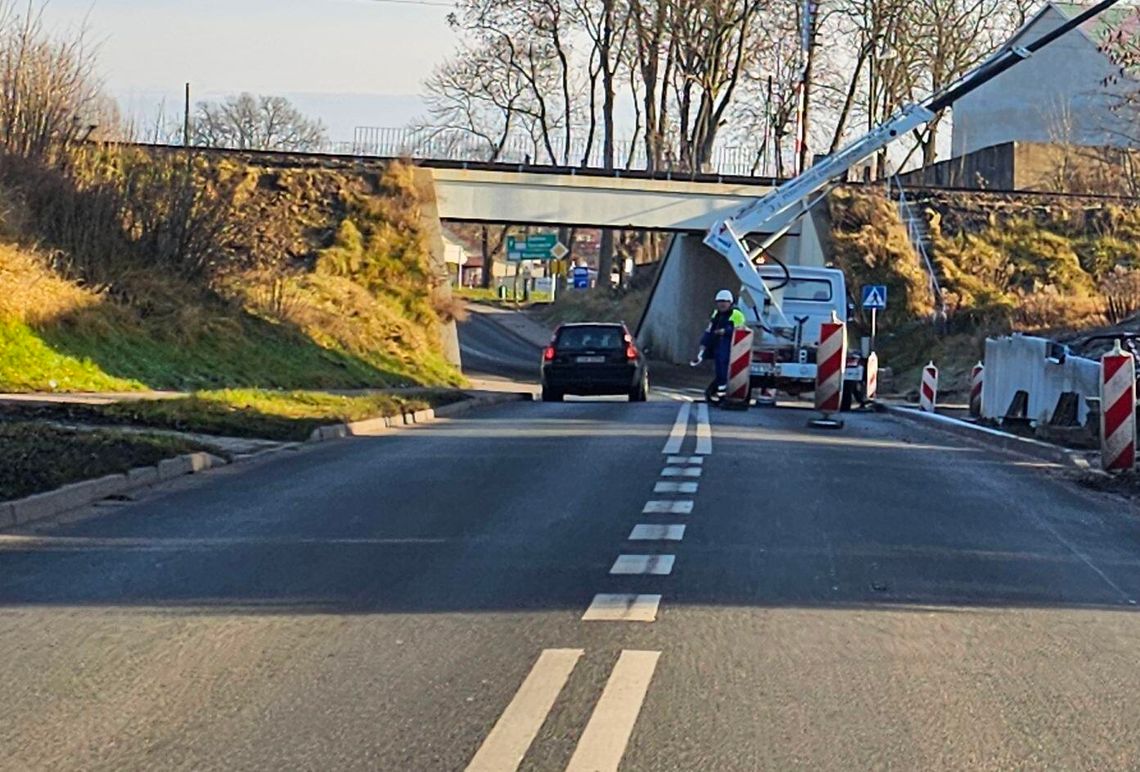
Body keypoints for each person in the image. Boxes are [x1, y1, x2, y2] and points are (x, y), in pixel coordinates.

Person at [692, 289, 746, 400]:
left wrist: (725, 332)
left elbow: (741, 331)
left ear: (730, 302)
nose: (722, 304)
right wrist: (703, 346)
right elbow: (709, 330)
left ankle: (723, 393)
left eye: (724, 301)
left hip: (731, 346)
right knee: (719, 370)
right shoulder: (716, 313)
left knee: (724, 370)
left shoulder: (737, 314)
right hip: (718, 346)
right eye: (719, 301)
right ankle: (720, 393)